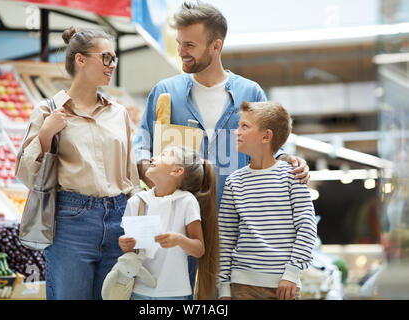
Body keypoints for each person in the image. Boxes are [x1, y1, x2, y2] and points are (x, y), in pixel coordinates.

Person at [132, 0, 310, 299]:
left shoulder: (249, 92)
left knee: (222, 295)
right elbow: (142, 143)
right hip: (176, 219)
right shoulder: (165, 92)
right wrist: (148, 173)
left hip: (236, 222)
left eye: (190, 44)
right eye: (179, 43)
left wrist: (289, 160)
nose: (181, 51)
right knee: (172, 295)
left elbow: (270, 145)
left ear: (216, 46)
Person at [15, 26, 142, 300]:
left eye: (114, 59)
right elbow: (26, 174)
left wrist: (140, 221)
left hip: (119, 217)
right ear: (80, 60)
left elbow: (131, 176)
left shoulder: (118, 113)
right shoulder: (47, 111)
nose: (112, 65)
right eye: (106, 57)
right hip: (71, 220)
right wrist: (47, 133)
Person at [218, 101, 318, 300]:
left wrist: (292, 273)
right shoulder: (234, 182)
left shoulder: (293, 176)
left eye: (244, 126)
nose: (237, 132)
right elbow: (225, 237)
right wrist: (224, 287)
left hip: (284, 286)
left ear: (266, 136)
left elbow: (307, 228)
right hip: (241, 285)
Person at [119, 145, 219, 300]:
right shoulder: (136, 202)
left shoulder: (187, 202)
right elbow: (131, 252)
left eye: (163, 154)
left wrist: (179, 239)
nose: (153, 157)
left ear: (177, 171)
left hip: (174, 292)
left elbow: (199, 249)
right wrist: (126, 245)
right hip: (139, 289)